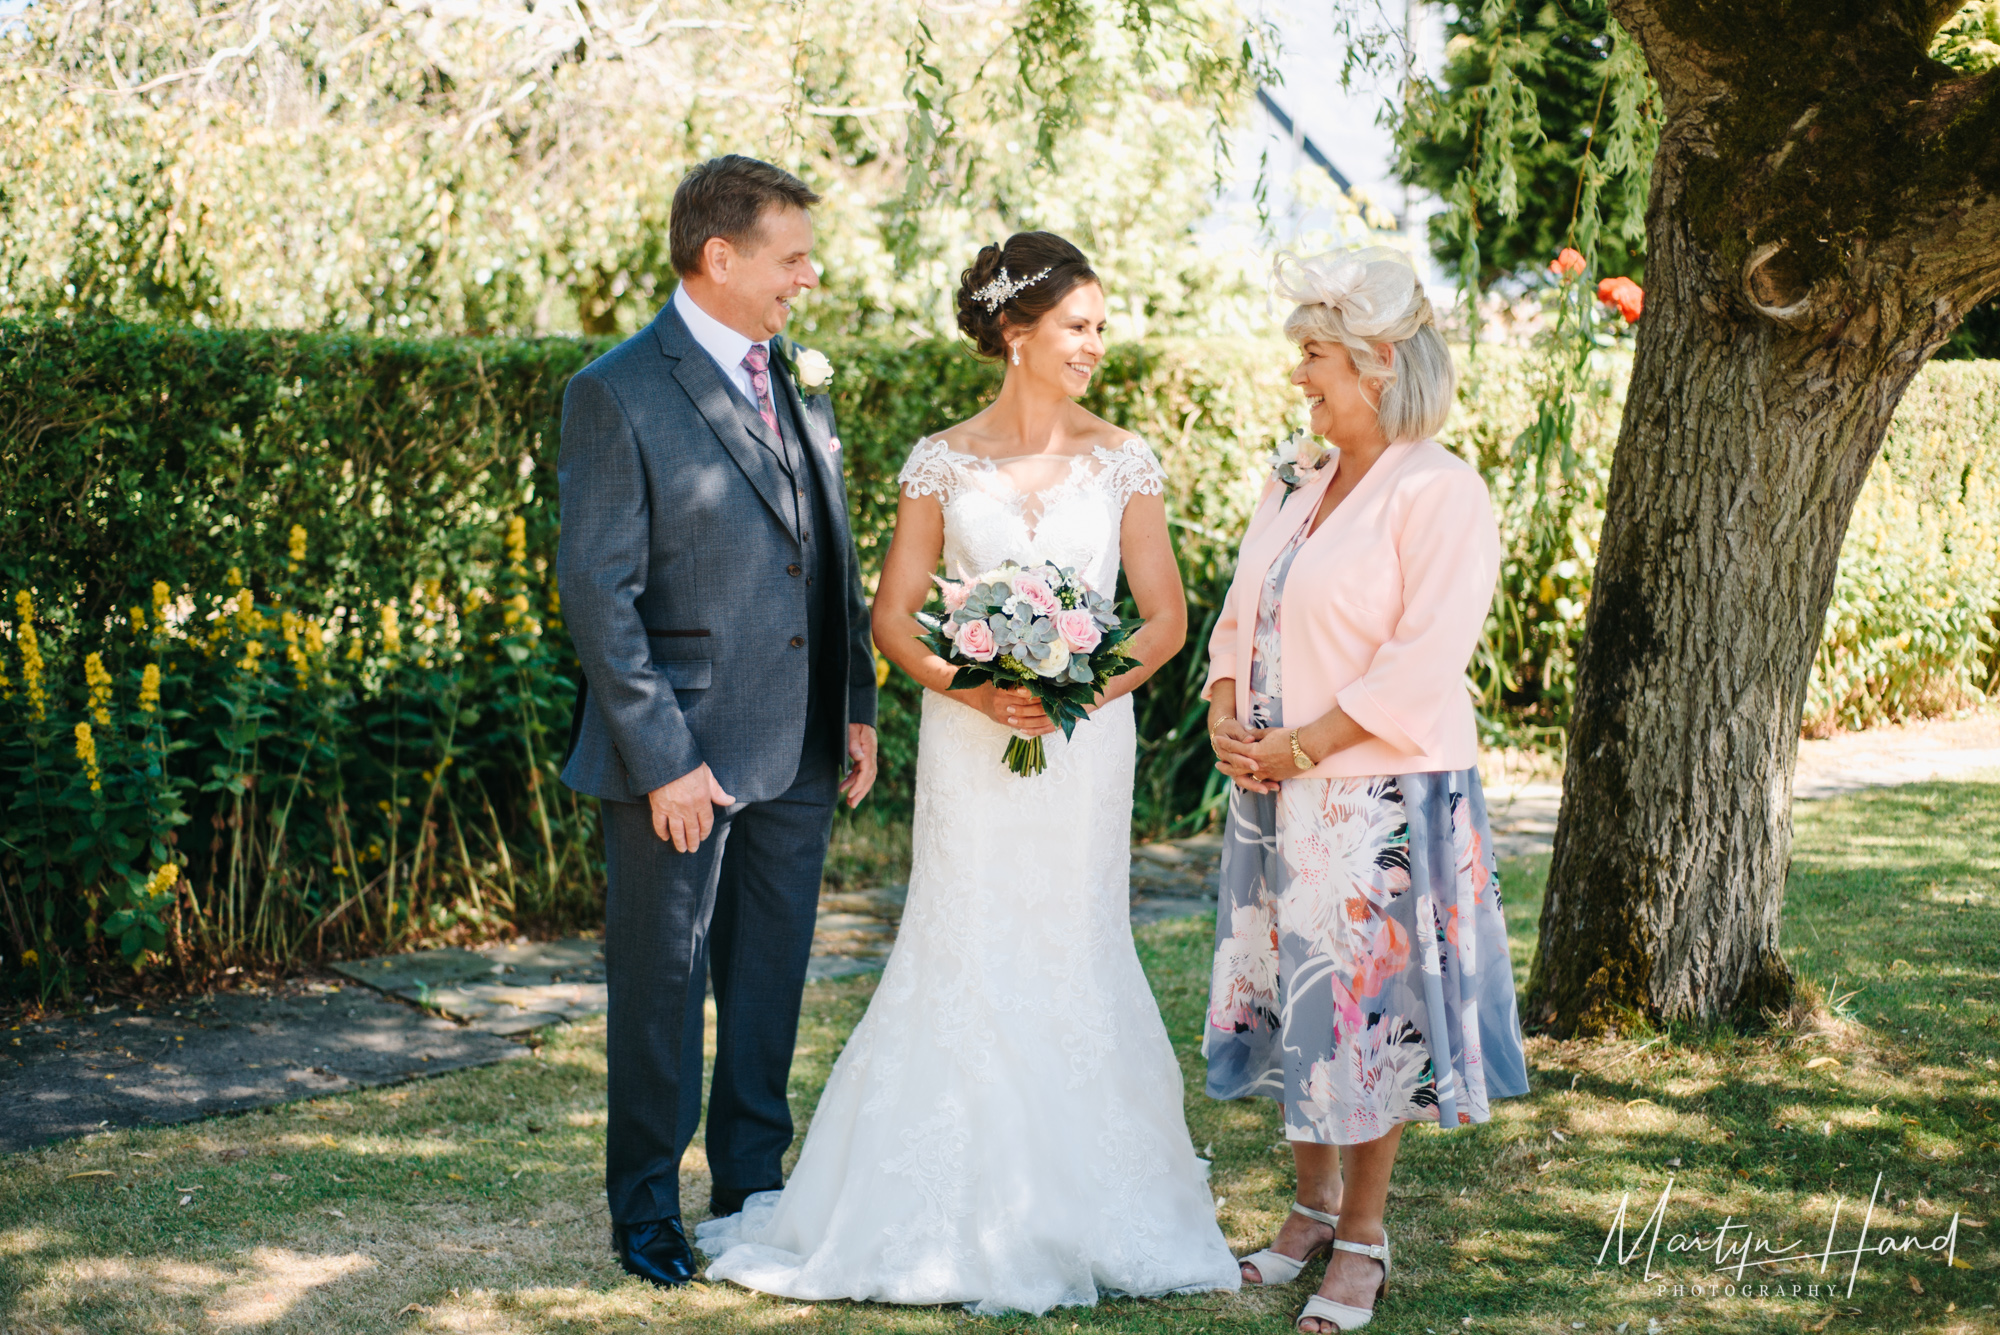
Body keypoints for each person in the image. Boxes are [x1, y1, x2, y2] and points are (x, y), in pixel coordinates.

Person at [695, 231, 1242, 1314]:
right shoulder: (937, 462)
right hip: (967, 736)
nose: (1095, 344)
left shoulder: (1123, 457)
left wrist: (1075, 688)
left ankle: (1089, 1197)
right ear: (1014, 332)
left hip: (1085, 741)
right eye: (1077, 326)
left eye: (1097, 326)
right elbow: (892, 618)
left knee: (1076, 937)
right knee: (964, 936)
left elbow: (1167, 617)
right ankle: (923, 1202)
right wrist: (972, 684)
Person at [555, 155, 880, 1289]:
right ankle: (645, 1209)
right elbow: (598, 592)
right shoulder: (616, 389)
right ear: (720, 256)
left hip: (796, 747)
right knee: (659, 989)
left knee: (769, 982)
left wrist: (853, 705)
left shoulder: (793, 375)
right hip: (678, 760)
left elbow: (829, 552)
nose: (808, 276)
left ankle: (751, 1189)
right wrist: (664, 760)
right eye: (791, 257)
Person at [1202, 248, 1531, 1332]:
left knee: (1363, 1019)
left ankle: (1361, 1241)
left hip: (1372, 795)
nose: (1299, 374)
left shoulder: (1438, 490)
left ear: (1377, 363)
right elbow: (1239, 610)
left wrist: (1299, 748)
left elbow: (1419, 658)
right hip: (1274, 789)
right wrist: (1221, 705)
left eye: (1315, 356)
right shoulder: (1292, 479)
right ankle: (1303, 1212)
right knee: (1292, 1005)